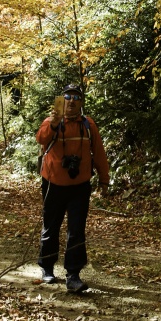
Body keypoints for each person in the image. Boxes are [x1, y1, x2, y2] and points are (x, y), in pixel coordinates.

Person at [36, 83, 110, 293]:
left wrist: (104, 180)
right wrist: (53, 123)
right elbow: (41, 138)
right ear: (62, 100)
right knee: (51, 227)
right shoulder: (51, 122)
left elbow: (99, 154)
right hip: (53, 184)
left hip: (79, 186)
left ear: (81, 102)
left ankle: (73, 275)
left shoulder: (88, 125)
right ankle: (47, 269)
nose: (71, 101)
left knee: (76, 231)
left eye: (76, 97)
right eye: (67, 97)